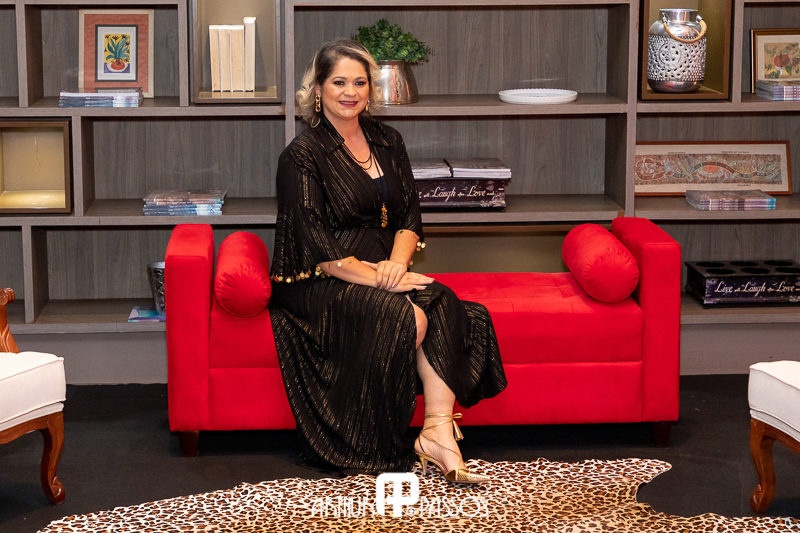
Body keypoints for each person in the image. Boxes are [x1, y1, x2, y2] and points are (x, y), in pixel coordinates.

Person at [269, 38, 507, 483]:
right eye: (339, 82)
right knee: (405, 317)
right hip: (316, 281)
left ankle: (437, 432)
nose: (350, 92)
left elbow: (409, 216)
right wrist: (383, 280)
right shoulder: (301, 155)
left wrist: (396, 266)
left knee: (445, 301)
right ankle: (372, 441)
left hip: (381, 268)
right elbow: (318, 246)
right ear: (317, 89)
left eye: (360, 82)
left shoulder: (387, 140)